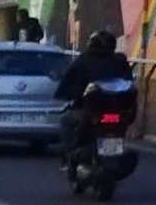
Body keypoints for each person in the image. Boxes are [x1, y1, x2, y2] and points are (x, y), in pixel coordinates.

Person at [57, 29, 136, 159]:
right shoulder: (120, 61)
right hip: (118, 113)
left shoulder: (84, 60)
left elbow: (66, 82)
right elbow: (129, 82)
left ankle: (70, 157)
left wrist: (65, 93)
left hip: (93, 112)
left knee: (65, 122)